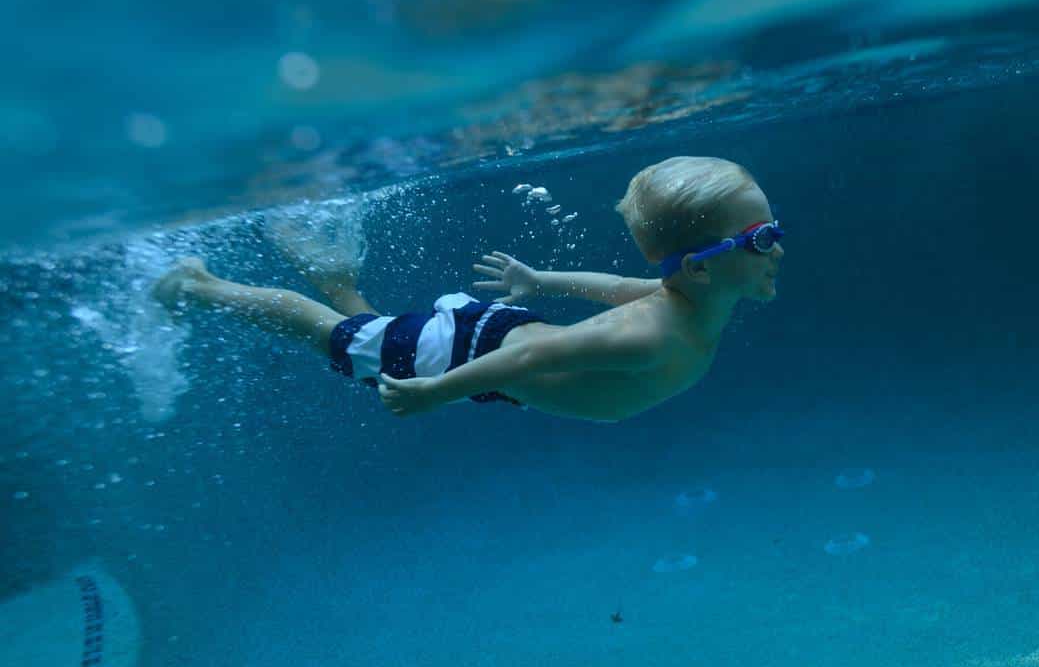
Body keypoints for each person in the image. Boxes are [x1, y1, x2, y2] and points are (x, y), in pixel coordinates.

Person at [151, 156, 783, 425]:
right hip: (463, 357)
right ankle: (200, 285)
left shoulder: (682, 300)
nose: (777, 247)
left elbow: (618, 285)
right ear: (698, 267)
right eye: (759, 238)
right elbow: (536, 358)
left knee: (374, 337)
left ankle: (334, 272)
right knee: (337, 340)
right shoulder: (653, 331)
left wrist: (540, 282)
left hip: (481, 345)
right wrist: (435, 392)